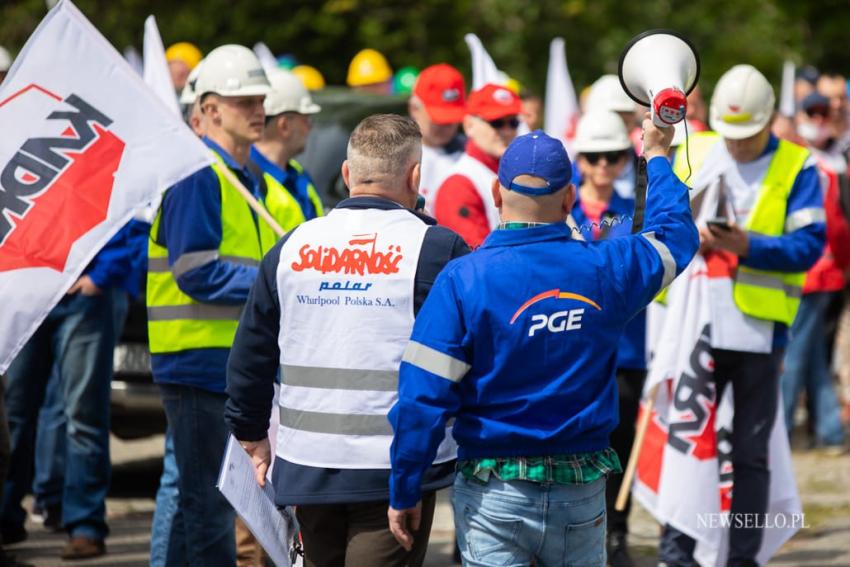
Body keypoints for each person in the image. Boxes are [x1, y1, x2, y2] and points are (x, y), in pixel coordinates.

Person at [387, 124, 698, 565]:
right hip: (581, 488)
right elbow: (676, 237)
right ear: (570, 199)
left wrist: (405, 486)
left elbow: (422, 397)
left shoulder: (463, 279)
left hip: (493, 490)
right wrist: (660, 155)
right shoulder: (606, 268)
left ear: (496, 193)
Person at [224, 114, 469, 567]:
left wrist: (251, 432)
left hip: (306, 462)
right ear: (416, 175)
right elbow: (466, 358)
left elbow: (251, 353)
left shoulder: (292, 246)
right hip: (393, 467)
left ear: (346, 174)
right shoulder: (436, 249)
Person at [662, 64, 826, 567]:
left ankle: (743, 557)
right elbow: (665, 220)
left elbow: (808, 245)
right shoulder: (703, 148)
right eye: (730, 134)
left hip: (759, 332)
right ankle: (679, 551)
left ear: (770, 121)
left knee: (750, 457)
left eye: (748, 136)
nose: (736, 145)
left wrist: (748, 245)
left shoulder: (799, 166)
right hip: (696, 324)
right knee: (688, 444)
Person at [146, 44, 272, 565]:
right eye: (244, 99)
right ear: (211, 109)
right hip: (198, 366)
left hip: (225, 367)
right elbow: (196, 273)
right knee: (210, 508)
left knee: (193, 504)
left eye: (260, 97)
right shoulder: (200, 173)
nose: (258, 108)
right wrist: (272, 284)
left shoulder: (247, 177)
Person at [1, 227, 134, 560]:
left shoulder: (103, 171)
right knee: (14, 414)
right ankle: (6, 519)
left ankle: (85, 525)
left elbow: (133, 213)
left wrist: (101, 275)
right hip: (27, 292)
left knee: (82, 415)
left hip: (83, 295)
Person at [569, 110, 644, 567]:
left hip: (626, 351)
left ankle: (617, 533)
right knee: (578, 444)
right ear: (580, 159)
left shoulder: (632, 212)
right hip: (575, 351)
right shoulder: (562, 212)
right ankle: (579, 530)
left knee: (621, 446)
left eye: (611, 156)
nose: (601, 166)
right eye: (593, 156)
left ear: (622, 160)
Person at [433, 83, 521, 248]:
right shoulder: (459, 184)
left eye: (514, 122)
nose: (507, 130)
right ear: (469, 125)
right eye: (497, 122)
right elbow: (474, 259)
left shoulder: (516, 172)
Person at [251, 68, 324, 230]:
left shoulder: (297, 173)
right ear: (284, 126)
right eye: (306, 120)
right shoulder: (249, 180)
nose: (310, 128)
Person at [407, 63, 467, 215]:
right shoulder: (393, 154)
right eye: (438, 119)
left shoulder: (471, 154)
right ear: (414, 109)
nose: (446, 125)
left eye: (452, 118)